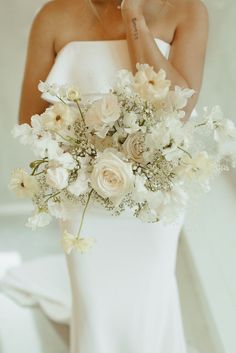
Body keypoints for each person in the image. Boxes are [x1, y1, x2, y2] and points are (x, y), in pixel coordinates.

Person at [2, 0, 209, 352]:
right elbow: (30, 119)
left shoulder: (188, 10)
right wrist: (84, 148)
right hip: (84, 200)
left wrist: (134, 16)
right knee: (95, 304)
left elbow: (179, 107)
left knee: (150, 295)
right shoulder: (52, 16)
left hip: (152, 201)